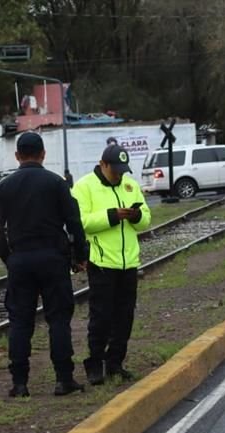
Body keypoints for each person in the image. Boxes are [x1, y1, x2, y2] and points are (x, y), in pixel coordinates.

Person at [0, 132, 89, 397]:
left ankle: (20, 383)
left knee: (20, 321)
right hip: (53, 259)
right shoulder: (56, 183)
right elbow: (74, 222)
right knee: (58, 319)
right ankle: (63, 379)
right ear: (43, 154)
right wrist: (81, 254)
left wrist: (6, 256)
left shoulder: (4, 187)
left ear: (17, 156)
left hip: (20, 260)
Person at [71, 144, 152, 385]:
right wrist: (112, 216)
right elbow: (81, 222)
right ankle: (95, 363)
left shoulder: (130, 185)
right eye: (115, 170)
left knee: (124, 316)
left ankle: (115, 361)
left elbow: (146, 218)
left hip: (128, 262)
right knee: (101, 317)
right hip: (102, 262)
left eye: (122, 170)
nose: (119, 174)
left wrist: (137, 216)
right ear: (103, 164)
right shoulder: (84, 187)